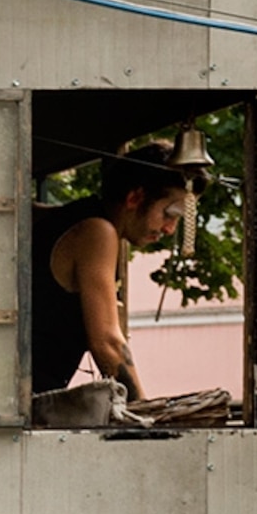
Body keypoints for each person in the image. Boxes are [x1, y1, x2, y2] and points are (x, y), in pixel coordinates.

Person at [31, 147, 194, 399]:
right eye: (168, 213)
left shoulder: (76, 218)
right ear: (135, 198)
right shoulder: (97, 232)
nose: (170, 229)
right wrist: (145, 414)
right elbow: (107, 343)